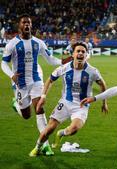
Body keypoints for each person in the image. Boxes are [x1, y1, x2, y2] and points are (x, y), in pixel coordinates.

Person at [29, 41, 108, 157]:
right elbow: (50, 80)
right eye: (78, 51)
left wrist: (104, 102)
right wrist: (43, 96)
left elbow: (103, 85)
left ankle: (61, 133)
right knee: (49, 129)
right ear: (73, 54)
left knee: (74, 129)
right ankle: (38, 147)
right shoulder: (64, 68)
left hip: (81, 105)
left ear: (86, 55)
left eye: (83, 52)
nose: (80, 53)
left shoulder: (92, 71)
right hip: (65, 103)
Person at [1, 14, 63, 155]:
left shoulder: (38, 43)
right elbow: (3, 62)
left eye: (29, 22)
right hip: (20, 84)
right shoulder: (12, 44)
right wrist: (11, 75)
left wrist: (63, 61)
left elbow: (50, 59)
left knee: (40, 109)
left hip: (36, 80)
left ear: (31, 25)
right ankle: (16, 104)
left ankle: (45, 145)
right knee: (26, 115)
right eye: (24, 23)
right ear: (20, 26)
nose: (27, 25)